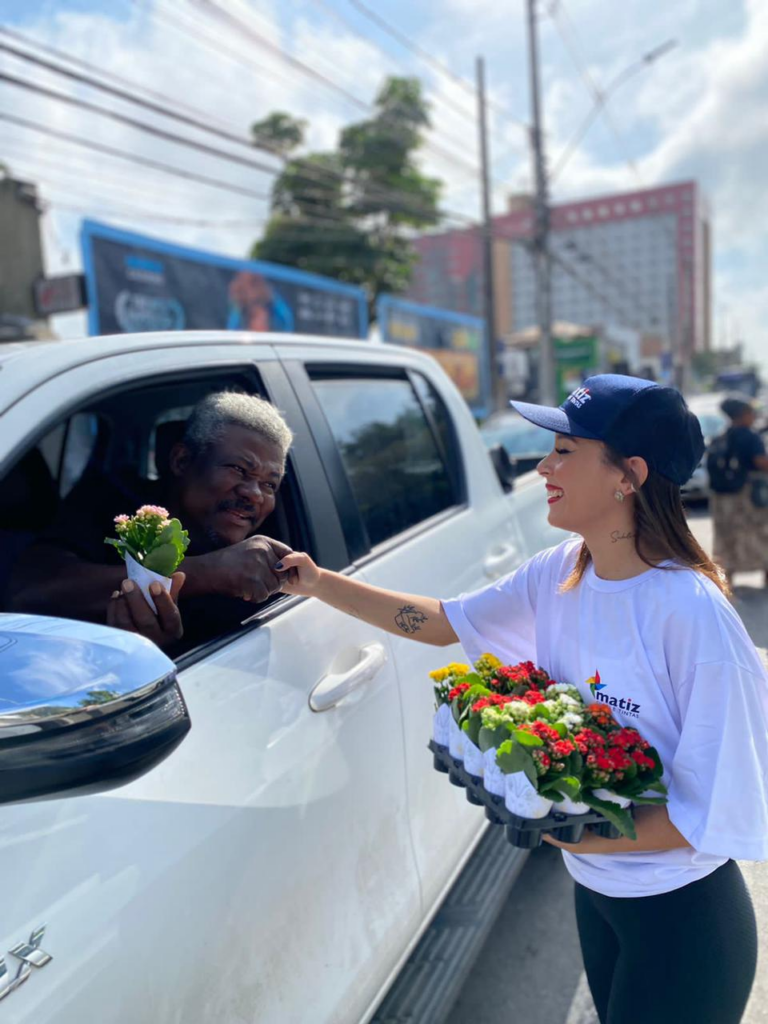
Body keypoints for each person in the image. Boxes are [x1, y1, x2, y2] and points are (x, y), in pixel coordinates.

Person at [273, 375, 767, 1024]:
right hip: (597, 899)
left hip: (680, 917)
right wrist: (316, 583)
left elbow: (724, 808)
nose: (543, 465)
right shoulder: (562, 570)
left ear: (629, 475)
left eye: (565, 450)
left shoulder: (692, 617)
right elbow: (443, 621)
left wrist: (569, 832)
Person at [7, 391, 295, 653]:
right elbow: (28, 592)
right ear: (182, 460)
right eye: (239, 469)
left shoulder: (268, 564)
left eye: (270, 485)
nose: (254, 494)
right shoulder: (113, 502)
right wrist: (206, 573)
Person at [710, 394, 768, 588]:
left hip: (723, 498)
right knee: (759, 533)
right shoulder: (751, 436)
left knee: (728, 535)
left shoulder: (721, 437)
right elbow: (760, 461)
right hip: (747, 497)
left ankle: (728, 576)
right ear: (743, 414)